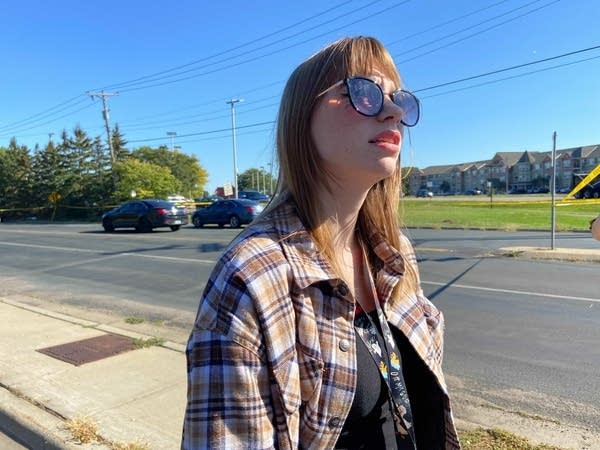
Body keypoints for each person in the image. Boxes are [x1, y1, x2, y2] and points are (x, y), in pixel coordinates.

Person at [182, 36, 460, 449]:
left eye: (398, 98)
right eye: (363, 91)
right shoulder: (252, 277)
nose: (394, 112)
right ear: (302, 118)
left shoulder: (394, 250)